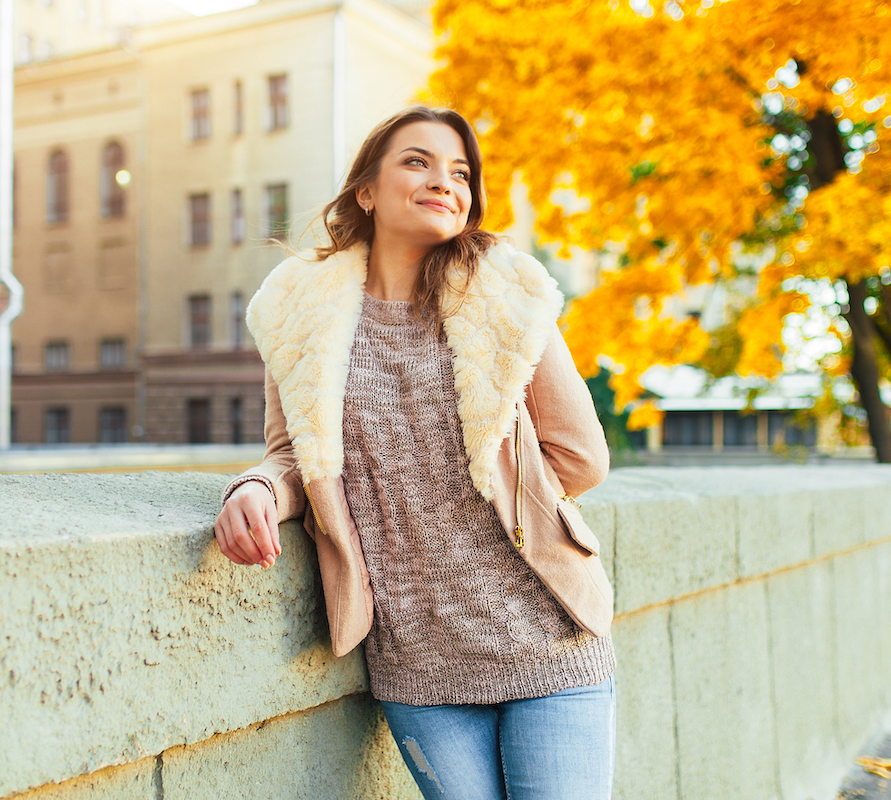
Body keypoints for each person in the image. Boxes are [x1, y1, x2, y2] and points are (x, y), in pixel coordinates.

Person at [214, 105, 616, 800]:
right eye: (417, 161)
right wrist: (253, 490)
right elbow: (291, 455)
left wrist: (482, 490)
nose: (444, 182)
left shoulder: (507, 294)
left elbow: (579, 459)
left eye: (460, 171)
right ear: (366, 190)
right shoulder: (298, 309)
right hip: (417, 663)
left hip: (547, 641)